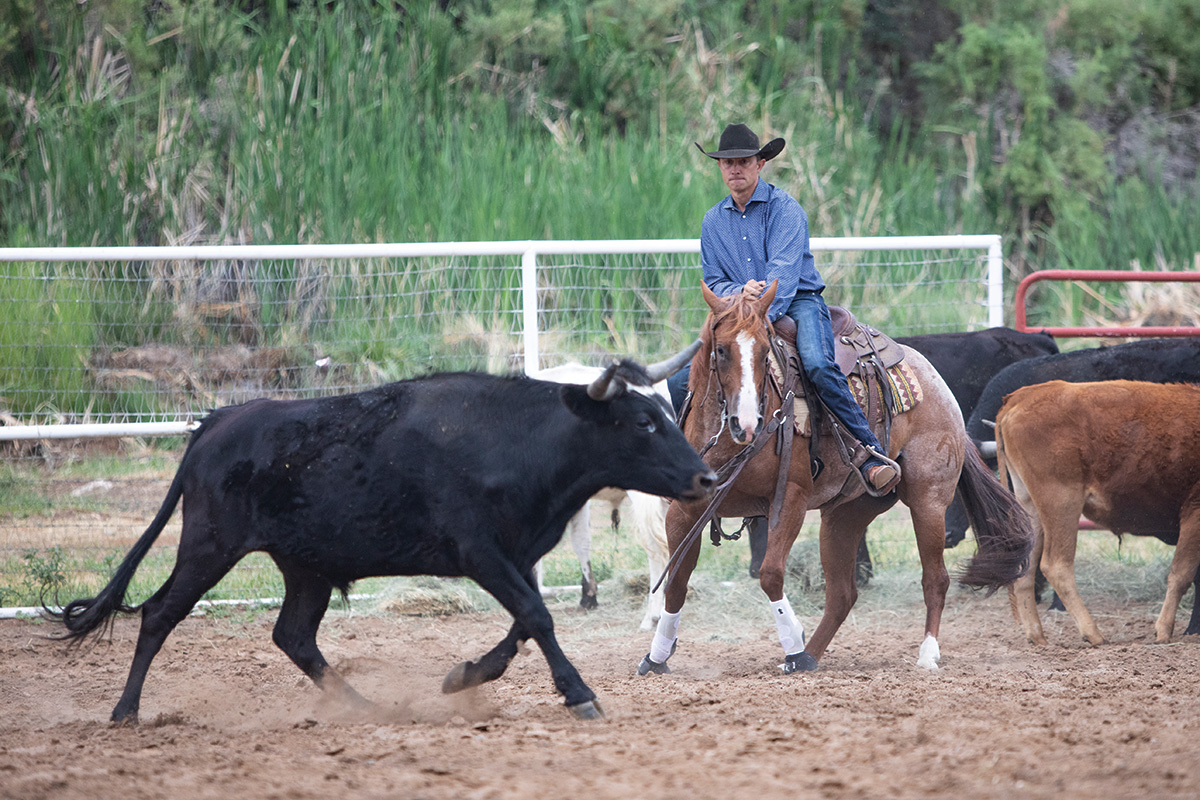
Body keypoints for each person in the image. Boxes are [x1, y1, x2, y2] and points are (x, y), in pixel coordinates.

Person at [669, 122, 900, 495]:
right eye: (727, 164)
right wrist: (740, 292)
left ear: (760, 164)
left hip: (798, 301)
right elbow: (713, 280)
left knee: (819, 364)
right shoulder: (712, 221)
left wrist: (759, 310)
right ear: (720, 168)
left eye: (744, 161)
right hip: (738, 312)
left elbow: (784, 276)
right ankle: (680, 459)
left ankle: (867, 451)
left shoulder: (786, 210)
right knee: (689, 376)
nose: (735, 170)